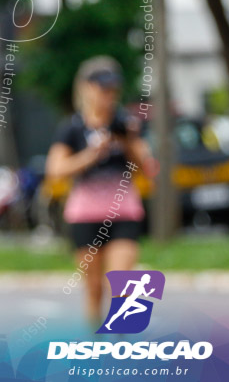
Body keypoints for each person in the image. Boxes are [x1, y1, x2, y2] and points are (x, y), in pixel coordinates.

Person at [45, 56, 159, 327]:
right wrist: (91, 155)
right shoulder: (72, 128)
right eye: (102, 89)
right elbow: (56, 170)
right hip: (85, 215)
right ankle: (95, 347)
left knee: (123, 286)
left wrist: (128, 140)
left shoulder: (125, 124)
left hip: (124, 212)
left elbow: (148, 166)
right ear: (86, 88)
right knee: (94, 288)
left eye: (113, 90)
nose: (109, 96)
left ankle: (123, 346)